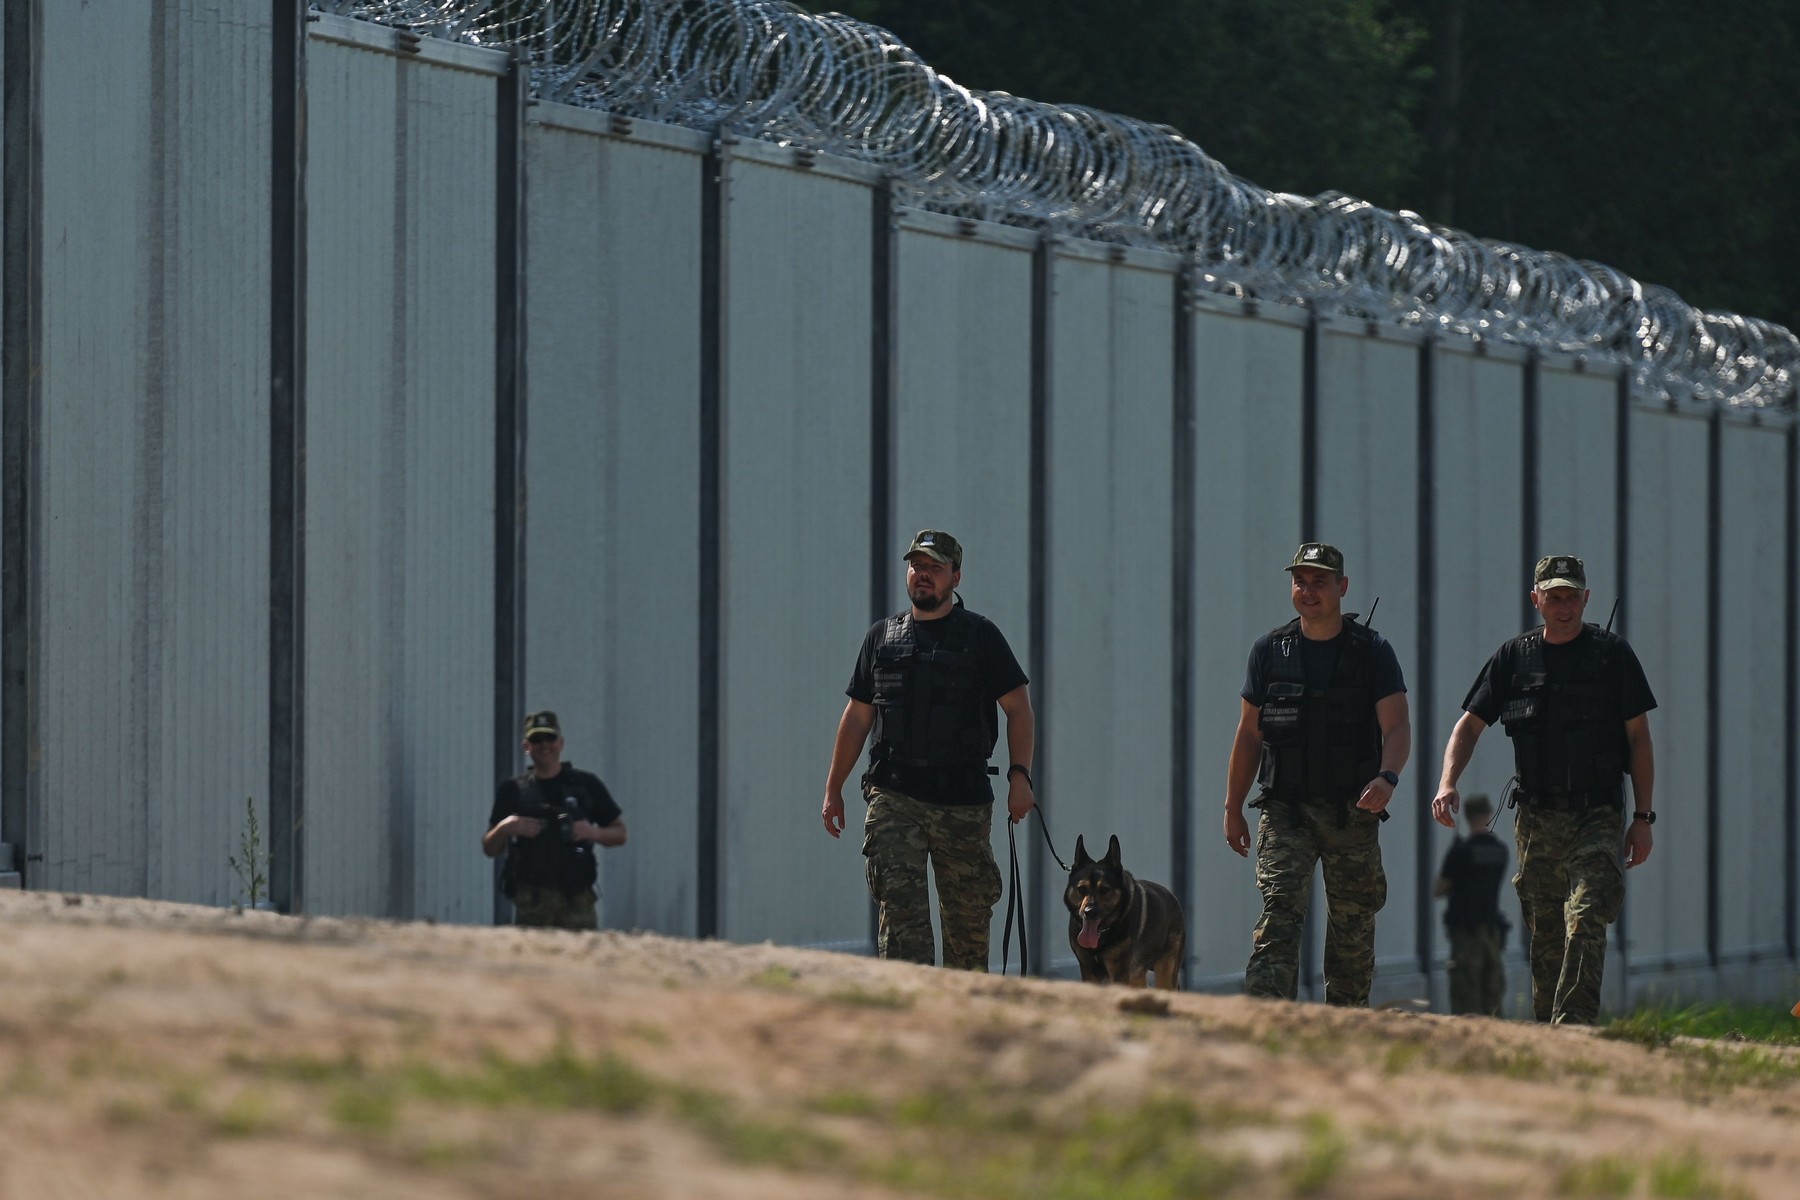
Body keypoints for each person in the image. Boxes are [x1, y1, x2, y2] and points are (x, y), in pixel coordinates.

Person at [1432, 554, 1656, 1025]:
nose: (1563, 605)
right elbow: (1469, 726)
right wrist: (1447, 781)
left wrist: (1643, 818)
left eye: (1572, 596)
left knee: (1588, 913)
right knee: (1548, 929)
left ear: (1586, 598)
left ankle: (1573, 1024)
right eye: (1553, 596)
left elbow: (1639, 738)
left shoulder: (1611, 655)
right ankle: (1547, 1034)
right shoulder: (1515, 657)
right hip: (1537, 818)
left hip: (1597, 811)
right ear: (1536, 600)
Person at [822, 530, 1036, 970]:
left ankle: (964, 1026)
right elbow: (858, 716)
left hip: (962, 801)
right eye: (917, 566)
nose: (923, 575)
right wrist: (833, 788)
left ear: (955, 576)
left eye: (935, 568)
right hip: (894, 795)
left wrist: (1020, 775)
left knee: (967, 929)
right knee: (902, 924)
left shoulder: (980, 636)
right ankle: (907, 1023)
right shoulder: (882, 638)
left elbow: (1018, 708)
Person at [1223, 542, 1411, 1006]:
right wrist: (1232, 807)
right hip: (1286, 810)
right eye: (1300, 581)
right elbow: (1248, 735)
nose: (1309, 591)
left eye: (1320, 582)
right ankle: (1267, 1019)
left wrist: (1388, 776)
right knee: (1279, 914)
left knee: (1352, 925)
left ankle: (1345, 1027)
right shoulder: (1269, 651)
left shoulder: (1372, 652)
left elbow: (1397, 725)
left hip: (1353, 811)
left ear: (1342, 588)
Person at [483, 710, 627, 930]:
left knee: (583, 961)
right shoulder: (513, 790)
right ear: (526, 746)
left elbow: (620, 834)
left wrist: (592, 833)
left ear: (561, 743)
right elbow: (490, 848)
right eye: (536, 739)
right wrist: (505, 828)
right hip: (532, 902)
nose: (544, 745)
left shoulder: (585, 784)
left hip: (577, 902)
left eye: (549, 738)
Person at [1433, 793, 1509, 1016]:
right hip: (1492, 929)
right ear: (1489, 813)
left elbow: (1439, 890)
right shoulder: (1500, 850)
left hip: (1466, 932)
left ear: (1466, 816)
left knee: (1466, 993)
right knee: (1492, 991)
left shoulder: (1461, 852)